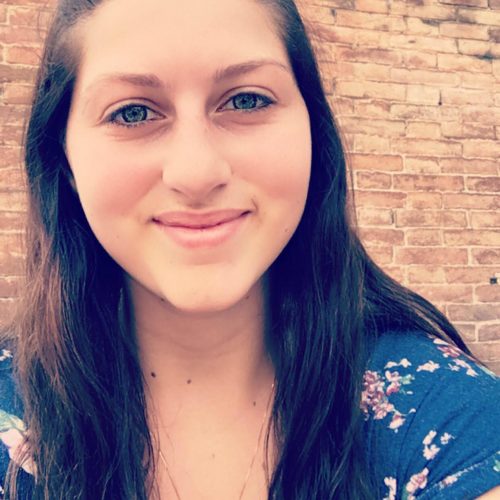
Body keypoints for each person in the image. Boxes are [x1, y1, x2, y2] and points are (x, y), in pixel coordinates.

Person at [0, 0, 499, 498]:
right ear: (64, 156)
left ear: (311, 129)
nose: (197, 173)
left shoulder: (447, 419)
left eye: (246, 101)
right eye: (132, 112)